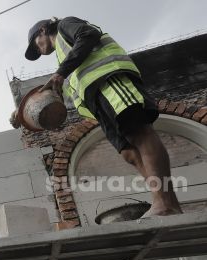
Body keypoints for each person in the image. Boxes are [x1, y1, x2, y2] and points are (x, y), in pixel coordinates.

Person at [22, 17, 183, 217]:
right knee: (129, 152)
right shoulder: (62, 55)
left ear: (43, 30)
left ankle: (165, 203)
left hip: (109, 80)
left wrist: (61, 72)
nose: (38, 50)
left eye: (35, 45)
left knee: (140, 133)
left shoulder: (65, 25)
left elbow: (88, 35)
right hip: (97, 98)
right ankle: (165, 203)